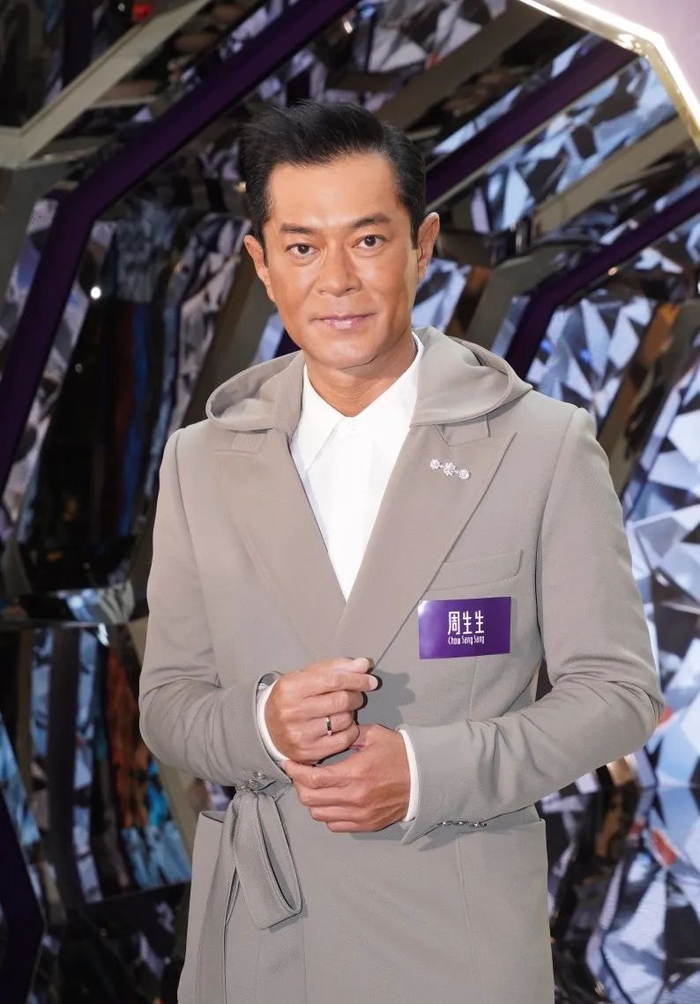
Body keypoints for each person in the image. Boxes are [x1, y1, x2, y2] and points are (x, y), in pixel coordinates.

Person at [138, 99, 664, 1004]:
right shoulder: (201, 460)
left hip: (454, 938)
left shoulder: (541, 444)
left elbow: (617, 695)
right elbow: (169, 706)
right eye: (303, 247)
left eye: (369, 241)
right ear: (262, 264)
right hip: (261, 943)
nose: (337, 280)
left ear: (422, 248)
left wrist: (426, 773)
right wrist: (263, 724)